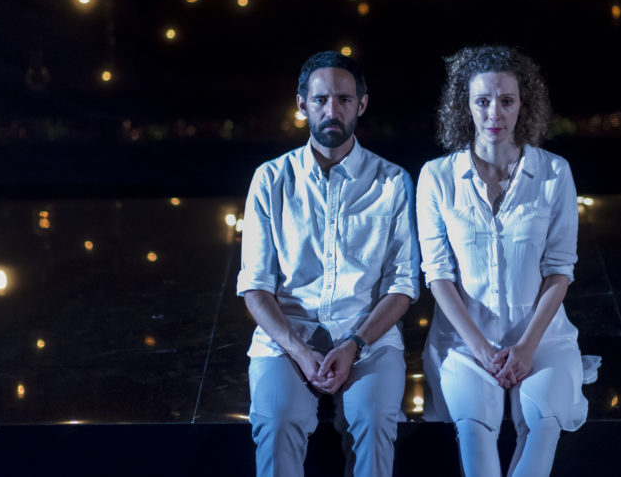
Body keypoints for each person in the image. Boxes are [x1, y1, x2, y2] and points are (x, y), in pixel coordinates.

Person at [237, 50, 420, 477]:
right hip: (287, 340)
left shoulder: (392, 181)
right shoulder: (271, 179)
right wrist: (300, 352)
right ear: (301, 104)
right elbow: (255, 287)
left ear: (362, 104)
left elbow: (404, 284)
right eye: (320, 100)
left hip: (367, 339)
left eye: (343, 99)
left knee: (375, 426)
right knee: (277, 424)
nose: (331, 110)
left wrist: (354, 342)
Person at [417, 45, 591, 477]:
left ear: (522, 105)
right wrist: (481, 348)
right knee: (476, 434)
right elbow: (437, 274)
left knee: (543, 426)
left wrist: (528, 347)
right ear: (466, 106)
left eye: (506, 101)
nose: (494, 113)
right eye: (483, 101)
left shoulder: (554, 173)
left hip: (543, 339)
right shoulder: (436, 177)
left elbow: (559, 269)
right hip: (464, 344)